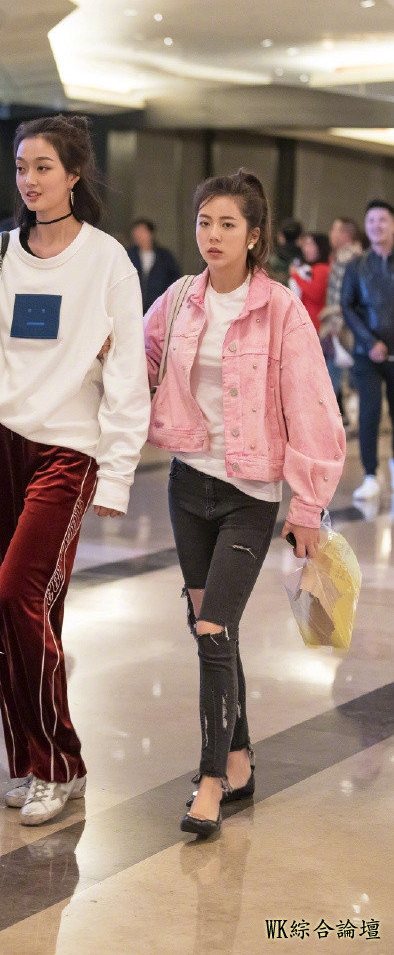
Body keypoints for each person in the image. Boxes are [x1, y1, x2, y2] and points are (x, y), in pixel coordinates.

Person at [0, 114, 151, 826]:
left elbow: (127, 374)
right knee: (8, 607)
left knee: (21, 593)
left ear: (74, 175)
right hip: (4, 443)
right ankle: (34, 759)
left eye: (43, 167)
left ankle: (57, 759)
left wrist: (116, 473)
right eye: (21, 167)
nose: (29, 180)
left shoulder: (107, 260)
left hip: (68, 452)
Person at [144, 169, 345, 838]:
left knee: (212, 629)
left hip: (249, 494)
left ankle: (209, 782)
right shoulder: (178, 299)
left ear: (254, 235)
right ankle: (238, 757)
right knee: (212, 627)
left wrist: (307, 506)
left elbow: (312, 405)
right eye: (205, 222)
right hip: (186, 486)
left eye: (228, 224)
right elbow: (142, 364)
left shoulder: (280, 309)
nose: (213, 235)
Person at [341, 199, 394, 501]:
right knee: (369, 411)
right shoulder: (356, 266)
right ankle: (371, 475)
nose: (376, 226)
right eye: (371, 220)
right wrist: (369, 341)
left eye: (382, 220)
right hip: (366, 353)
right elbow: (347, 306)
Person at [322, 217, 362, 422]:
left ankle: (335, 421)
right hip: (342, 324)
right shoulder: (348, 257)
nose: (331, 233)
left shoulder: (349, 259)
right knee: (338, 374)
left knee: (340, 375)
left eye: (334, 229)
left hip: (344, 327)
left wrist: (335, 326)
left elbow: (343, 296)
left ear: (346, 234)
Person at [126, 217, 181, 313]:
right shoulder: (129, 255)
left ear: (151, 233)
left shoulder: (164, 256)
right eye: (136, 232)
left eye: (142, 231)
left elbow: (174, 279)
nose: (139, 235)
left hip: (159, 306)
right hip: (133, 307)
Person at [288, 231, 331, 333]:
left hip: (315, 322)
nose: (306, 249)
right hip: (308, 322)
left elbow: (315, 294)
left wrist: (296, 276)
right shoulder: (313, 268)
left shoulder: (322, 269)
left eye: (310, 244)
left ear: (320, 247)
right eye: (305, 244)